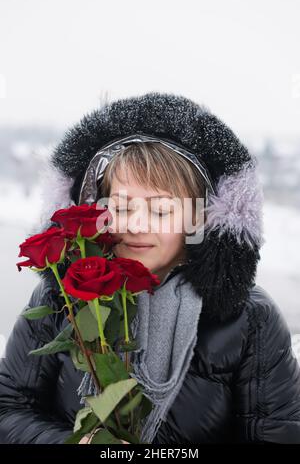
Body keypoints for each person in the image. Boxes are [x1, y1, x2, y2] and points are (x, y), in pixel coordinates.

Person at [0, 92, 299, 444]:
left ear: (198, 218)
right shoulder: (62, 298)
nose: (137, 225)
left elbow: (277, 435)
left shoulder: (250, 319)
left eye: (161, 210)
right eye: (123, 207)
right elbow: (10, 409)